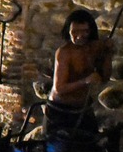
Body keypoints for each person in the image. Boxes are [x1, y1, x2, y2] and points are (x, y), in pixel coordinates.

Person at [46, 9, 115, 139]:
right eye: (74, 32)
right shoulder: (64, 53)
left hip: (83, 108)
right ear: (68, 31)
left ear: (91, 32)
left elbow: (105, 77)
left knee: (89, 148)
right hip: (60, 112)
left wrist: (108, 55)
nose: (79, 36)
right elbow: (59, 88)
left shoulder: (95, 48)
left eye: (85, 32)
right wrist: (85, 81)